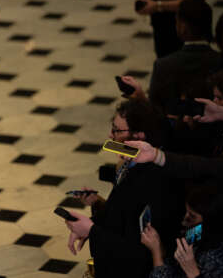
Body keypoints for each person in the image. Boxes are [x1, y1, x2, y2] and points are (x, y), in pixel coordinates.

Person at [65, 99, 184, 278]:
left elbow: (136, 251)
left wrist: (91, 230)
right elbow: (119, 215)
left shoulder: (154, 181)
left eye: (117, 130)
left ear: (139, 136)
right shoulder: (130, 165)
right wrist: (92, 219)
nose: (111, 135)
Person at [141, 184, 223, 277]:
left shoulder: (215, 259)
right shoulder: (199, 235)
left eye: (192, 217)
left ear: (210, 222)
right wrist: (160, 248)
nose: (184, 222)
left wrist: (156, 253)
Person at [148, 0, 221, 113]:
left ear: (183, 28)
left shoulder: (163, 66)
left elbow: (153, 109)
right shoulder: (222, 62)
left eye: (176, 21)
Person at [137, 0, 213, 58]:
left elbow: (194, 0)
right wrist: (144, 0)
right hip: (161, 24)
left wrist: (157, 5)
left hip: (190, 26)